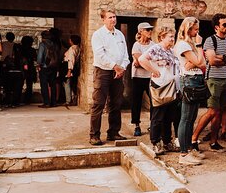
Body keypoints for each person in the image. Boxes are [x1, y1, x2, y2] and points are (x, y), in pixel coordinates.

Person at [138, 27, 189, 162]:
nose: (172, 39)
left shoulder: (172, 51)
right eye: (170, 37)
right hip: (160, 86)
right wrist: (153, 70)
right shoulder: (156, 48)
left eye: (173, 36)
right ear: (162, 37)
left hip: (172, 87)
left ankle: (167, 141)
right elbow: (142, 59)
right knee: (158, 116)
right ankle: (155, 142)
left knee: (169, 116)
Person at [191, 13, 226, 153]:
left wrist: (221, 57)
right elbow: (211, 61)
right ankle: (193, 138)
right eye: (224, 24)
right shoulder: (210, 40)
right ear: (217, 27)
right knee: (212, 111)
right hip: (213, 79)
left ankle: (214, 141)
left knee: (219, 112)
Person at [89, 9, 130, 146]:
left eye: (114, 17)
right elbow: (100, 55)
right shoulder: (98, 35)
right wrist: (115, 66)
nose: (113, 19)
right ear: (103, 19)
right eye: (110, 17)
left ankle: (113, 132)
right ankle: (94, 135)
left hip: (118, 72)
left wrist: (122, 67)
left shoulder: (119, 35)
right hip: (103, 72)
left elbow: (125, 55)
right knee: (98, 104)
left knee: (116, 103)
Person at [174, 17, 207, 164]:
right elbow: (200, 61)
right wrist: (199, 46)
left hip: (196, 79)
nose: (197, 32)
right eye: (194, 29)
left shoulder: (189, 44)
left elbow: (202, 63)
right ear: (187, 29)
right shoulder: (182, 45)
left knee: (192, 117)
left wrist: (195, 61)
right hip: (189, 80)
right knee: (185, 118)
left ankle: (189, 148)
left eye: (198, 29)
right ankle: (183, 154)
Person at [130, 23, 156, 136]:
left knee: (154, 101)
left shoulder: (153, 45)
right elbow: (140, 60)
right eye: (147, 30)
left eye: (150, 30)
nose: (150, 32)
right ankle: (137, 125)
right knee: (136, 102)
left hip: (150, 77)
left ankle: (152, 124)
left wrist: (140, 62)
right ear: (140, 31)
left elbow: (153, 61)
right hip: (137, 77)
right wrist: (143, 61)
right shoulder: (136, 45)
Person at [37, 30, 61, 108]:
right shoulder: (55, 44)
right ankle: (54, 102)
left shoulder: (42, 44)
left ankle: (46, 102)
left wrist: (39, 64)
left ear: (42, 37)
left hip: (45, 66)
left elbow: (40, 56)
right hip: (53, 66)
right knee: (53, 84)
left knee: (44, 85)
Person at [2, 32, 24, 108]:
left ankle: (7, 101)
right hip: (17, 70)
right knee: (16, 88)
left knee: (7, 86)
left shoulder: (3, 44)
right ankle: (14, 102)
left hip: (7, 67)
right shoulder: (17, 47)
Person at [63, 35, 81, 106]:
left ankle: (68, 100)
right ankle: (73, 99)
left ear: (72, 41)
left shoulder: (72, 48)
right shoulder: (78, 48)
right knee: (72, 83)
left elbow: (71, 59)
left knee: (67, 83)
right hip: (74, 67)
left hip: (69, 67)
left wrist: (69, 70)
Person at [20, 35, 37, 104]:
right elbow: (35, 58)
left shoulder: (20, 49)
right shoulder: (32, 50)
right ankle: (28, 99)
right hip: (30, 67)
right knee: (29, 84)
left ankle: (18, 97)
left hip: (21, 67)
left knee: (20, 83)